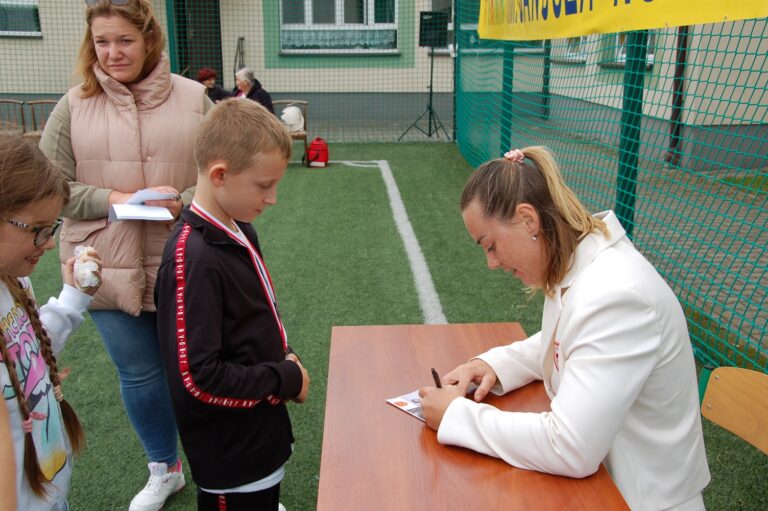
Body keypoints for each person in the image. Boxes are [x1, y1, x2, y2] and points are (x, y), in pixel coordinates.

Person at [419, 147, 710, 510]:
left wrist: (456, 417)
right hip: (605, 486)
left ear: (528, 220)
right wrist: (493, 365)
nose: (491, 263)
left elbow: (571, 447)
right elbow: (569, 339)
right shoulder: (581, 263)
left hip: (638, 500)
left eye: (490, 246)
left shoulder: (616, 295)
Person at [38, 1, 213, 509]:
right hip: (103, 265)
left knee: (201, 372)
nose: (112, 53)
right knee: (138, 375)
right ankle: (165, 469)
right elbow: (50, 185)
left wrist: (182, 198)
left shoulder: (194, 97)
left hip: (184, 258)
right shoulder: (73, 104)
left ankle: (221, 475)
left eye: (124, 41)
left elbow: (219, 170)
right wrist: (114, 201)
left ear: (150, 39)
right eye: (101, 42)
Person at [155, 99, 310, 511]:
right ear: (220, 174)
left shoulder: (237, 228)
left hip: (257, 432)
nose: (272, 198)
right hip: (231, 455)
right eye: (264, 186)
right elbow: (197, 379)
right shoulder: (193, 259)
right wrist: (283, 379)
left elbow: (252, 319)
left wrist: (286, 357)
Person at [0, 135, 102, 511]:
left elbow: (27, 353)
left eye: (52, 227)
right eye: (38, 229)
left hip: (47, 486)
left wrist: (74, 295)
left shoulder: (12, 279)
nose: (47, 243)